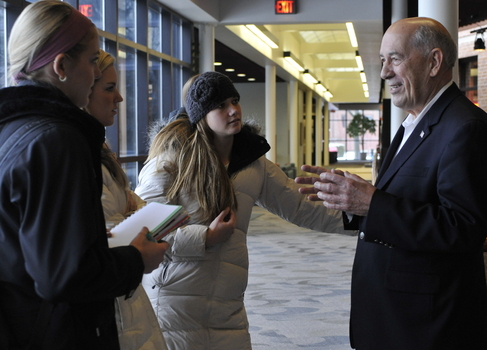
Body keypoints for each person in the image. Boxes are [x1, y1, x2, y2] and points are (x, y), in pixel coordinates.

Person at [296, 17, 487, 349]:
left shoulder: (466, 128)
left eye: (394, 58)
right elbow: (403, 203)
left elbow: (464, 228)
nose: (384, 72)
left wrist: (372, 203)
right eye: (382, 61)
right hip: (396, 317)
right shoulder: (414, 123)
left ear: (434, 62)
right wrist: (353, 199)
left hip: (427, 327)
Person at [135, 71, 347, 350]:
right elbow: (143, 233)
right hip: (176, 304)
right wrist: (205, 238)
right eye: (220, 105)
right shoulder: (171, 161)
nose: (233, 110)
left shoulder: (252, 163)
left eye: (234, 100)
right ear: (201, 115)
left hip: (227, 306)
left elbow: (300, 206)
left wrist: (362, 214)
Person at [0, 2, 168, 349]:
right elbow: (62, 277)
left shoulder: (12, 130)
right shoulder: (57, 140)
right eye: (93, 61)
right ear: (61, 66)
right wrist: (136, 259)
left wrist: (86, 237)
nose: (95, 73)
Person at [85, 49, 168, 350]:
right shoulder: (78, 153)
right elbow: (105, 227)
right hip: (113, 283)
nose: (119, 98)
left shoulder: (99, 147)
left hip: (122, 282)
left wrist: (133, 211)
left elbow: (131, 201)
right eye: (109, 89)